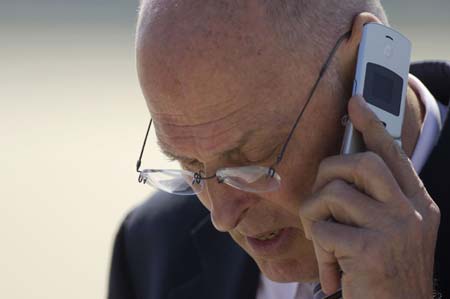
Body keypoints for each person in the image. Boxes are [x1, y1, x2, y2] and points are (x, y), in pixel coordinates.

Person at [108, 1, 450, 298]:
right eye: (190, 164)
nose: (223, 217)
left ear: (364, 60)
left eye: (252, 162)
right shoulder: (151, 249)